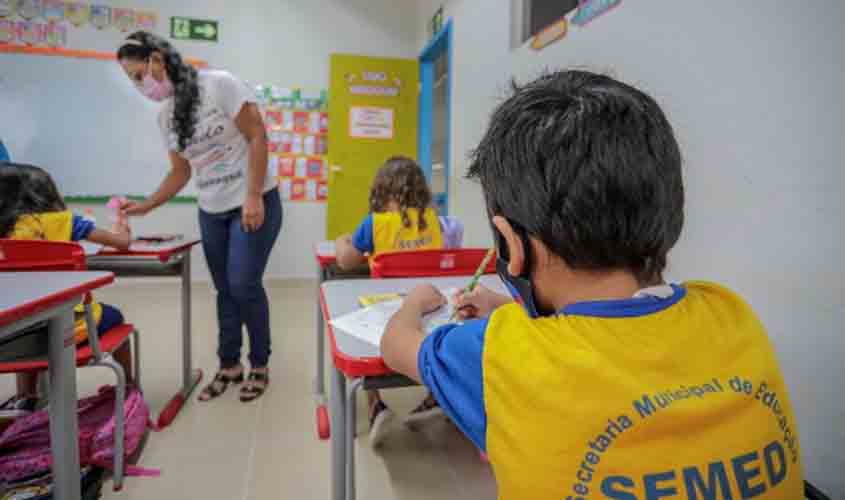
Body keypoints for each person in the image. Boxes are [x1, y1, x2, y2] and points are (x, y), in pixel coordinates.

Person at [380, 71, 804, 499]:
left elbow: (396, 343)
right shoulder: (732, 314)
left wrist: (415, 301)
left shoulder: (494, 354)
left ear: (511, 245)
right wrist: (501, 307)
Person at [116, 31, 282, 403]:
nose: (140, 85)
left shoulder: (219, 85)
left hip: (253, 200)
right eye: (132, 80)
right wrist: (145, 205)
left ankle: (259, 363)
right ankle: (229, 365)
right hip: (211, 209)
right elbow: (180, 173)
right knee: (224, 288)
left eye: (138, 74)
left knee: (243, 284)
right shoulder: (166, 117)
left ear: (158, 59)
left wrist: (253, 195)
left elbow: (257, 135)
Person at [335, 156, 463, 447]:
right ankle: (435, 397)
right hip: (431, 309)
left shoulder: (374, 225)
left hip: (387, 314)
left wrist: (344, 241)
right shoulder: (437, 223)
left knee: (359, 320)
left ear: (381, 191)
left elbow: (345, 260)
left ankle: (375, 405)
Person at [0, 162, 132, 417]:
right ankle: (128, 393)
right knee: (117, 319)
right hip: (72, 329)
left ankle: (27, 397)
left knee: (32, 312)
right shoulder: (65, 222)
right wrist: (122, 224)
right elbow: (122, 243)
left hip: (14, 335)